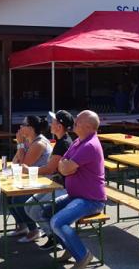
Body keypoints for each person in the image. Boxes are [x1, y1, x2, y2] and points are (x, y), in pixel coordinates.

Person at [47, 110, 106, 268]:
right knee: (46, 212)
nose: (74, 122)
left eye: (78, 120)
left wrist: (67, 166)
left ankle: (83, 255)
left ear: (87, 126)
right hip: (76, 196)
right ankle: (70, 248)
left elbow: (65, 168)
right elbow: (63, 164)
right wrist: (66, 166)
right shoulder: (78, 141)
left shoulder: (90, 145)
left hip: (90, 200)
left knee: (57, 222)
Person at [24, 110, 73, 248]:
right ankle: (51, 233)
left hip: (63, 188)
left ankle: (56, 237)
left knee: (34, 209)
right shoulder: (60, 141)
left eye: (54, 121)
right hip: (55, 184)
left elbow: (50, 169)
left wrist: (30, 170)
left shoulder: (63, 143)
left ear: (59, 126)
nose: (50, 124)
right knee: (29, 206)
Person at [8, 115, 52, 239]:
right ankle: (22, 227)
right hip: (30, 180)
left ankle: (34, 230)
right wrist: (21, 145)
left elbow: (23, 166)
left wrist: (20, 144)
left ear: (31, 128)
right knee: (8, 196)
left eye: (23, 124)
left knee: (18, 200)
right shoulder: (28, 141)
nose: (20, 127)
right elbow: (15, 162)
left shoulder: (39, 143)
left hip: (43, 182)